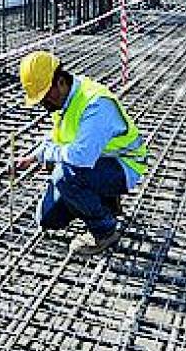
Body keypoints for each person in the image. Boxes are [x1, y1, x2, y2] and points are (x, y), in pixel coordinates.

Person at [14, 50, 147, 255]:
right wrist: (32, 157)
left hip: (123, 165)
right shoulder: (64, 101)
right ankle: (105, 201)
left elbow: (81, 157)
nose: (43, 103)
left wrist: (49, 155)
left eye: (44, 95)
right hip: (97, 164)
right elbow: (57, 138)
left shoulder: (95, 103)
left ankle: (104, 230)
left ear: (60, 82)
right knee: (48, 219)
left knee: (65, 176)